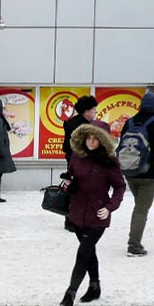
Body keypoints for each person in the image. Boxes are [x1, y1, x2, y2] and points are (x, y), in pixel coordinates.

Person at [58, 120, 126, 306]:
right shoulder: (77, 157)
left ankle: (69, 295)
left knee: (83, 253)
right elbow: (71, 178)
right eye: (88, 137)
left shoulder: (110, 162)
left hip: (98, 215)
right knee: (89, 251)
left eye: (96, 138)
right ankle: (94, 286)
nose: (91, 142)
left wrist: (110, 206)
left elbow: (120, 187)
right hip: (78, 213)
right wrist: (68, 182)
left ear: (103, 141)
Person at [121, 93, 154, 257]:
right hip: (149, 173)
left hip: (129, 171)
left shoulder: (129, 122)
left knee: (139, 208)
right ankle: (134, 245)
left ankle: (134, 239)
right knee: (141, 209)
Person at [61, 95, 98, 231]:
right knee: (80, 191)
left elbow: (66, 146)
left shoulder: (71, 123)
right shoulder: (86, 126)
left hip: (72, 161)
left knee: (73, 189)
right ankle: (75, 220)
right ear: (86, 111)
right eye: (94, 109)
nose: (95, 112)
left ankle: (70, 219)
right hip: (83, 162)